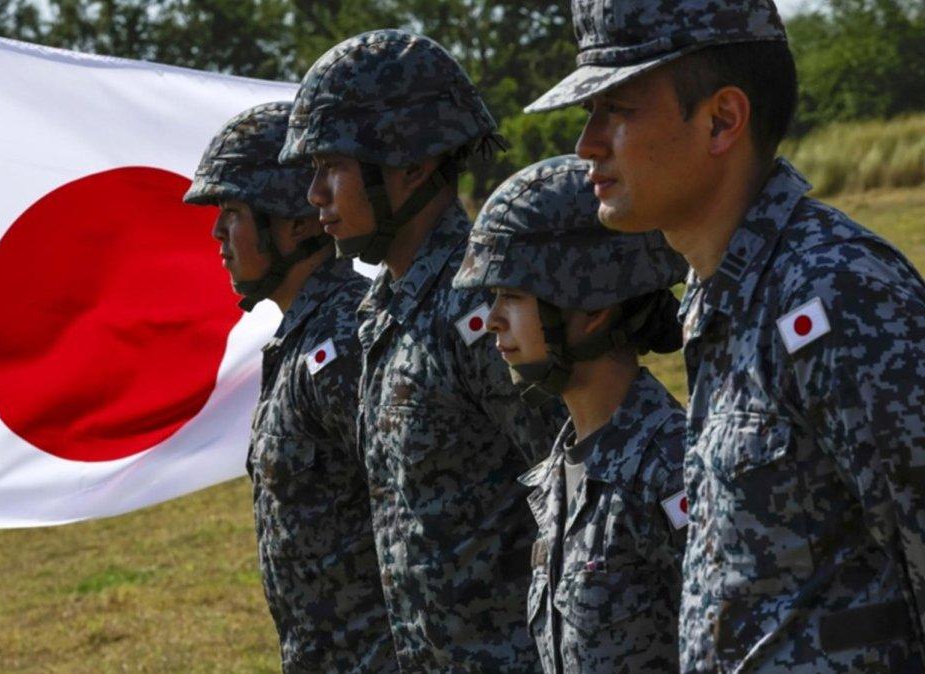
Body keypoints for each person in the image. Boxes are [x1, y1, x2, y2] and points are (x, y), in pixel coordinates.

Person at [525, 1, 925, 671]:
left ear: (722, 120)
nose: (587, 144)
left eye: (617, 111)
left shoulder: (834, 294)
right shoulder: (724, 294)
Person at [281, 30, 564, 671]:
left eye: (333, 167)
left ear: (411, 164)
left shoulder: (481, 309)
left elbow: (588, 489)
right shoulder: (384, 305)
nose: (314, 195)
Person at [183, 101, 396, 673]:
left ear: (297, 221)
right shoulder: (302, 337)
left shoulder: (343, 339)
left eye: (233, 212)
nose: (218, 234)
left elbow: (413, 518)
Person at [454, 154, 688, 673]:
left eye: (511, 296)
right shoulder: (560, 471)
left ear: (591, 306)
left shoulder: (671, 471)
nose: (491, 320)